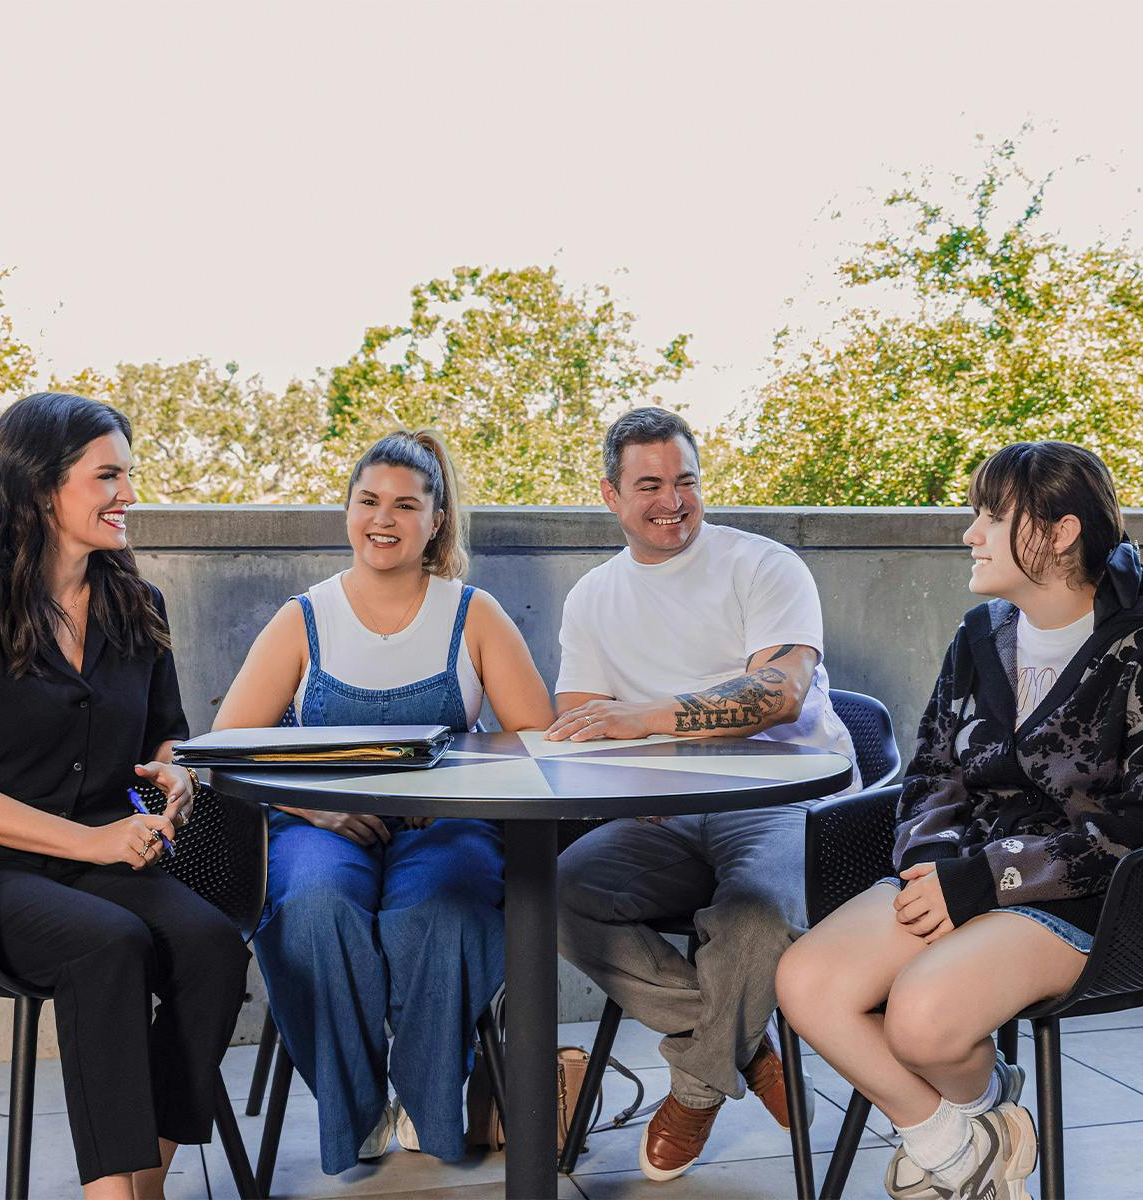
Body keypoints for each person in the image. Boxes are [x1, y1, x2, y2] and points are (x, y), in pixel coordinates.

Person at [776, 441, 1143, 1200]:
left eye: (990, 516)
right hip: (962, 873)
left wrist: (981, 881)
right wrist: (936, 865)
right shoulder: (980, 637)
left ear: (1059, 530)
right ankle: (965, 1139)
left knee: (920, 1018)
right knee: (806, 980)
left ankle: (959, 1138)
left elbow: (1130, 828)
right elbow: (934, 771)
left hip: (1087, 899)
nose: (970, 533)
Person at [214, 429, 553, 1175]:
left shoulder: (475, 614)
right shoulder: (304, 617)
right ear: (347, 510)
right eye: (369, 500)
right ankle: (356, 1109)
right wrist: (318, 811)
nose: (384, 518)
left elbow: (537, 740)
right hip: (323, 825)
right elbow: (228, 743)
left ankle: (429, 1105)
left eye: (406, 504)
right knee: (314, 908)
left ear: (437, 521)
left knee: (445, 909)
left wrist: (452, 786)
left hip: (446, 825)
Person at [0, 393, 250, 1200]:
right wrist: (89, 842)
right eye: (107, 476)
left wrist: (173, 774)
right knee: (106, 945)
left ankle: (140, 1183)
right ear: (43, 488)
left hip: (104, 859)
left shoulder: (135, 605)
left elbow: (167, 735)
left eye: (128, 474)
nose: (127, 494)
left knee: (214, 948)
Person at [548, 406, 857, 1183]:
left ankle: (693, 1088)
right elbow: (577, 726)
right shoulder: (592, 597)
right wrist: (627, 773)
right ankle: (746, 1048)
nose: (672, 501)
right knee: (550, 893)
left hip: (784, 800)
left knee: (753, 918)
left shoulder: (765, 566)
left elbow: (778, 695)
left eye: (685, 480)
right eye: (648, 484)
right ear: (611, 496)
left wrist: (646, 719)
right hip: (665, 813)